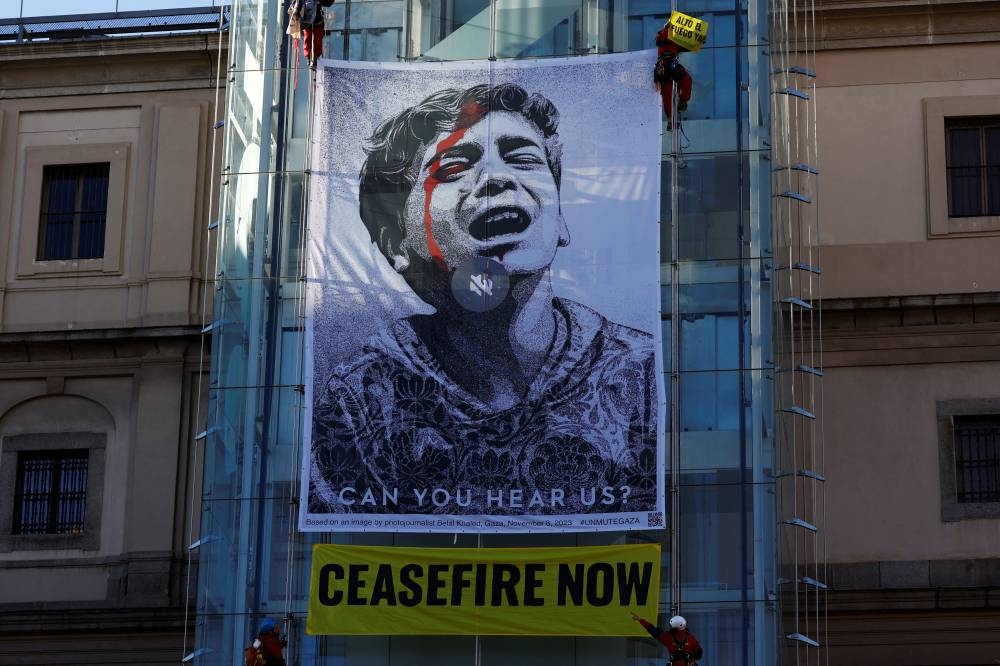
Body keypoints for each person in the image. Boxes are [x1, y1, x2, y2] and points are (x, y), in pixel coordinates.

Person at [308, 83, 658, 516]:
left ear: (561, 216)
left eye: (525, 159)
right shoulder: (361, 397)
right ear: (396, 241)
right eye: (453, 168)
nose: (497, 178)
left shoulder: (641, 374)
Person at [654, 22, 693, 121]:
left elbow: (685, 46)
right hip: (665, 64)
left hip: (671, 64)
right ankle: (670, 117)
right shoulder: (664, 34)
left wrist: (697, 41)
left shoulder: (675, 38)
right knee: (668, 90)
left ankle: (682, 102)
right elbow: (659, 40)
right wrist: (667, 27)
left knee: (685, 79)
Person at [631, 612, 703, 665]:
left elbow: (653, 631)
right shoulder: (690, 638)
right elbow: (698, 652)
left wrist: (640, 620)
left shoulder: (668, 637)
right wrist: (694, 657)